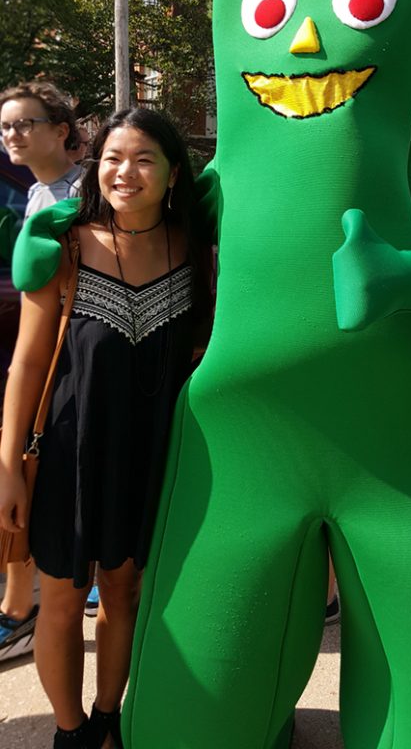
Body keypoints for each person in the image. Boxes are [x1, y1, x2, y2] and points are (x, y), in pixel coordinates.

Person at [0, 107, 210, 749]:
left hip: (154, 455)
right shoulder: (66, 245)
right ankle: (70, 731)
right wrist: (8, 463)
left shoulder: (197, 252)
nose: (125, 172)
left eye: (144, 159)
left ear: (173, 173)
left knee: (126, 591)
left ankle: (110, 715)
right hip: (70, 451)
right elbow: (29, 361)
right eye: (114, 158)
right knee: (62, 598)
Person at [0, 81, 81, 662]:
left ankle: (19, 607)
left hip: (72, 361)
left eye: (26, 123)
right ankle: (18, 603)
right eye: (6, 126)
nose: (13, 135)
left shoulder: (87, 187)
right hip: (44, 353)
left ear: (61, 130)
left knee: (35, 477)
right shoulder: (36, 194)